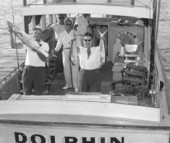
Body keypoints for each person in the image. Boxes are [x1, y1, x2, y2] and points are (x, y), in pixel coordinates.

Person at [9, 25, 49, 95]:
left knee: (39, 94)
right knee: (26, 93)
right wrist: (11, 34)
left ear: (41, 35)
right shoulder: (27, 43)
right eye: (35, 33)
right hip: (28, 70)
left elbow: (43, 59)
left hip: (40, 71)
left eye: (39, 33)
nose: (36, 35)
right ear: (32, 33)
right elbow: (13, 46)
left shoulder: (45, 45)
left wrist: (36, 50)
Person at [54, 17, 75, 90]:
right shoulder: (62, 33)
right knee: (66, 69)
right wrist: (55, 50)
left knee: (74, 68)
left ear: (72, 25)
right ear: (64, 25)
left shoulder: (74, 32)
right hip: (65, 51)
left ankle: (75, 85)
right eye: (67, 24)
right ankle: (68, 84)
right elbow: (59, 44)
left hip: (73, 51)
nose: (68, 25)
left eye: (70, 24)